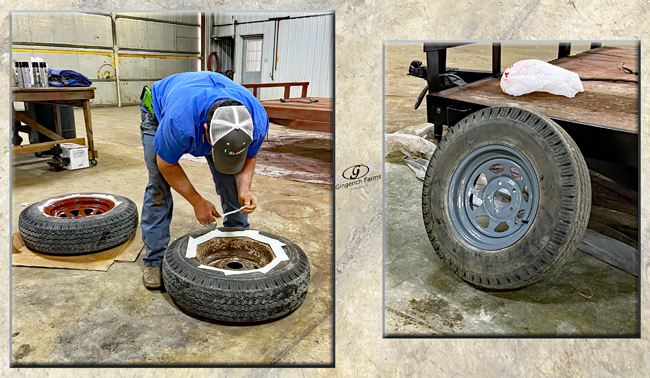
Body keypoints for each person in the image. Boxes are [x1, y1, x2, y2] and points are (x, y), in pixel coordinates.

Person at [139, 71, 269, 289]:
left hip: (204, 103)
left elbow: (249, 157)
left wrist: (244, 189)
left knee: (230, 181)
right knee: (158, 186)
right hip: (159, 107)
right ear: (206, 131)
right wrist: (197, 201)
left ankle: (236, 237)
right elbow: (166, 164)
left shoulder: (256, 121)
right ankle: (154, 259)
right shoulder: (179, 123)